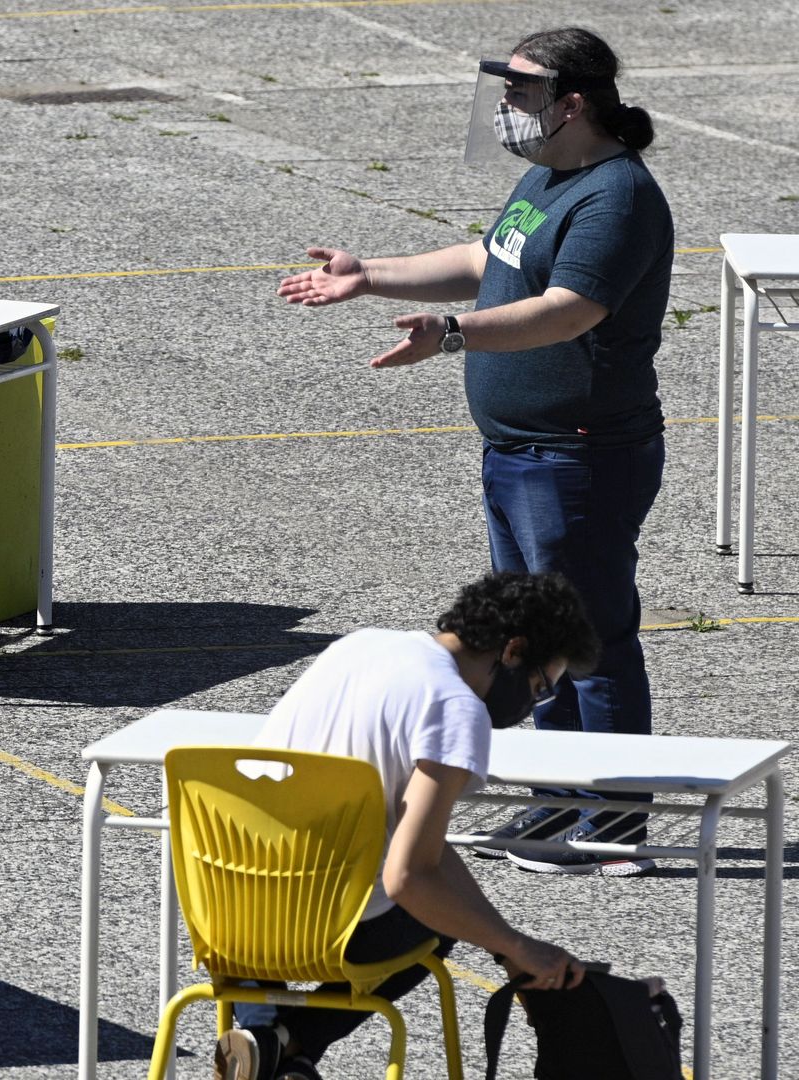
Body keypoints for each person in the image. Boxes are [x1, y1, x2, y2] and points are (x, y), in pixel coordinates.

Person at [276, 26, 670, 876]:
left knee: (594, 631)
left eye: (521, 91)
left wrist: (452, 336)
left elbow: (568, 310)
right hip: (520, 452)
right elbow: (487, 260)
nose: (506, 106)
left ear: (573, 104)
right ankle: (560, 798)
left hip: (579, 455)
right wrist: (369, 273)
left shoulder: (616, 197)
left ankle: (615, 824)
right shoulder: (550, 177)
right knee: (541, 631)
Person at [216, 572, 597, 1080]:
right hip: (324, 927)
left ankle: (268, 1044)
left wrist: (504, 942)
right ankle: (292, 1041)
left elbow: (421, 846)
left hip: (228, 912)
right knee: (438, 924)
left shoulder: (361, 645)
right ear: (513, 651)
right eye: (539, 688)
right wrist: (516, 946)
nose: (531, 707)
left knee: (445, 904)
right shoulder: (455, 708)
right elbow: (411, 879)